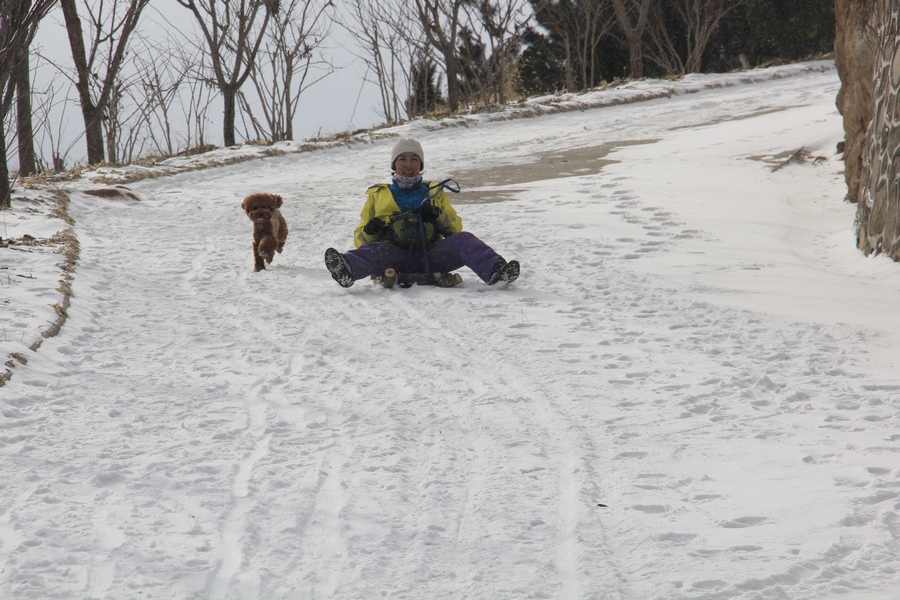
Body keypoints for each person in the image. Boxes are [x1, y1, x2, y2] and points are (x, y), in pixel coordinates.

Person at [324, 138, 520, 288]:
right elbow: (361, 240)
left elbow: (456, 229)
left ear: (421, 164)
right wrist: (370, 229)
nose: (408, 164)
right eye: (402, 159)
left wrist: (436, 215)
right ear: (394, 164)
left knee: (465, 240)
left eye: (414, 159)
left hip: (432, 255)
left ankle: (497, 272)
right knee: (372, 251)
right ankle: (346, 269)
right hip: (394, 255)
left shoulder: (434, 190)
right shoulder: (378, 194)